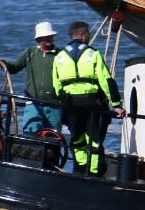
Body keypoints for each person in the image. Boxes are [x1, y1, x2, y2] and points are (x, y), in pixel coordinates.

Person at [51, 20, 124, 176]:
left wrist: (62, 100)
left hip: (70, 105)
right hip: (92, 104)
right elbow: (106, 80)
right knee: (94, 139)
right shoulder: (94, 54)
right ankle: (93, 171)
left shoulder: (59, 57)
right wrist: (116, 104)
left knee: (77, 138)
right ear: (84, 35)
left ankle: (80, 168)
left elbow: (56, 85)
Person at [0, 21, 63, 136]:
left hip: (54, 105)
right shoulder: (30, 53)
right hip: (33, 103)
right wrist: (4, 64)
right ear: (38, 39)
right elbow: (15, 67)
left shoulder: (61, 55)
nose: (48, 39)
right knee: (30, 134)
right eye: (45, 37)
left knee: (54, 139)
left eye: (50, 36)